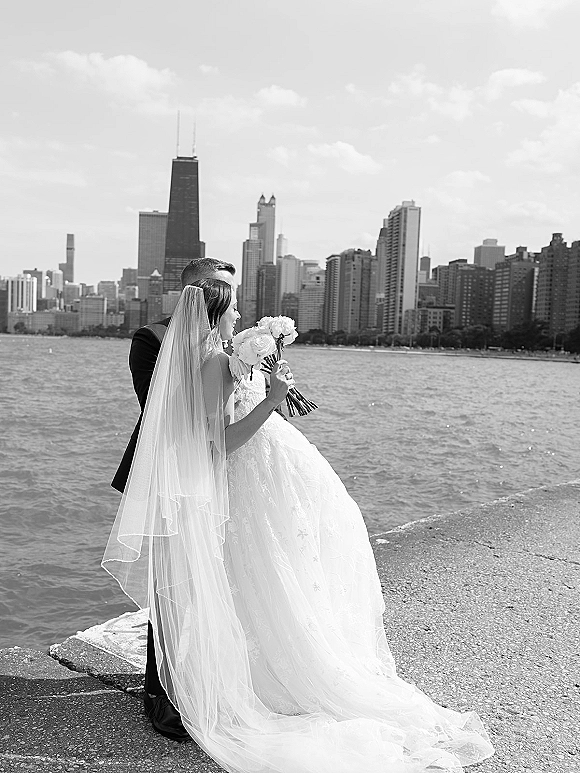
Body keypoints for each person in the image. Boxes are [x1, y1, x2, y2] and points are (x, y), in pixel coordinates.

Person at [103, 281, 495, 772]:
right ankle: (265, 678)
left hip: (266, 478)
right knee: (262, 574)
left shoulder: (229, 356)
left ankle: (274, 668)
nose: (242, 313)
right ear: (215, 317)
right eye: (235, 308)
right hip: (248, 479)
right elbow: (215, 445)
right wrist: (273, 400)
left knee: (276, 573)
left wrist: (269, 384)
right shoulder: (211, 365)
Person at [110, 258, 236, 742]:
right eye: (219, 289)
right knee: (170, 589)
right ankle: (162, 696)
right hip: (173, 475)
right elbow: (160, 409)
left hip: (219, 473)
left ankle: (208, 682)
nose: (228, 300)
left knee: (213, 582)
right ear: (194, 290)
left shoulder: (230, 340)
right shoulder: (152, 338)